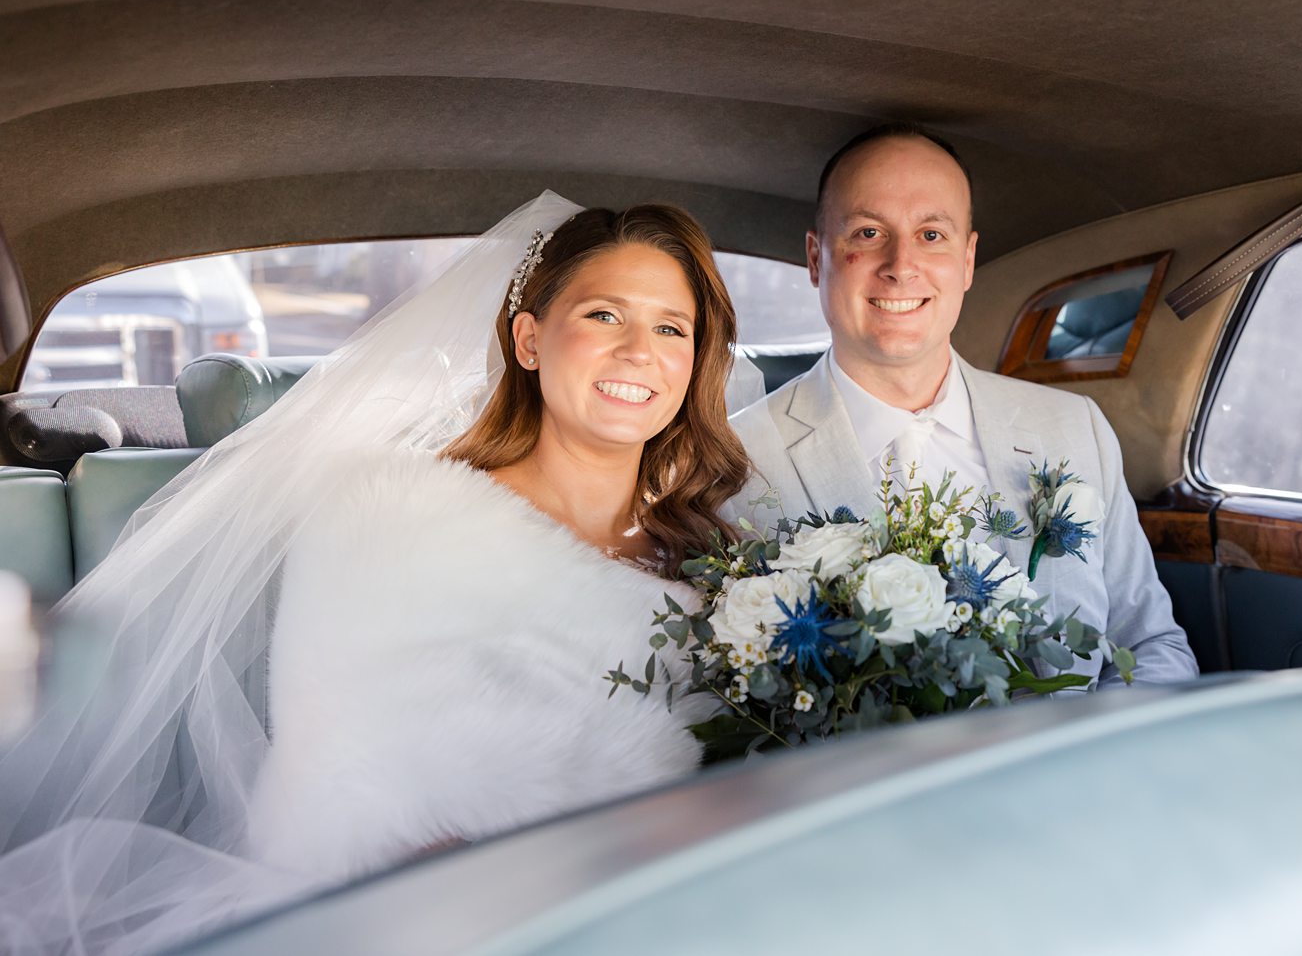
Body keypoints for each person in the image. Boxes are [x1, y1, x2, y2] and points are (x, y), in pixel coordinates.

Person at [0, 194, 749, 951]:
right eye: (603, 316)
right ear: (529, 339)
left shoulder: (718, 560)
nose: (638, 352)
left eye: (670, 327)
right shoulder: (389, 517)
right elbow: (368, 798)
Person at [729, 125, 1198, 686]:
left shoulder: (1076, 430)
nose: (901, 265)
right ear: (815, 257)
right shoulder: (738, 460)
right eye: (869, 231)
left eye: (931, 235)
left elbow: (1150, 643)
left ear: (968, 259)